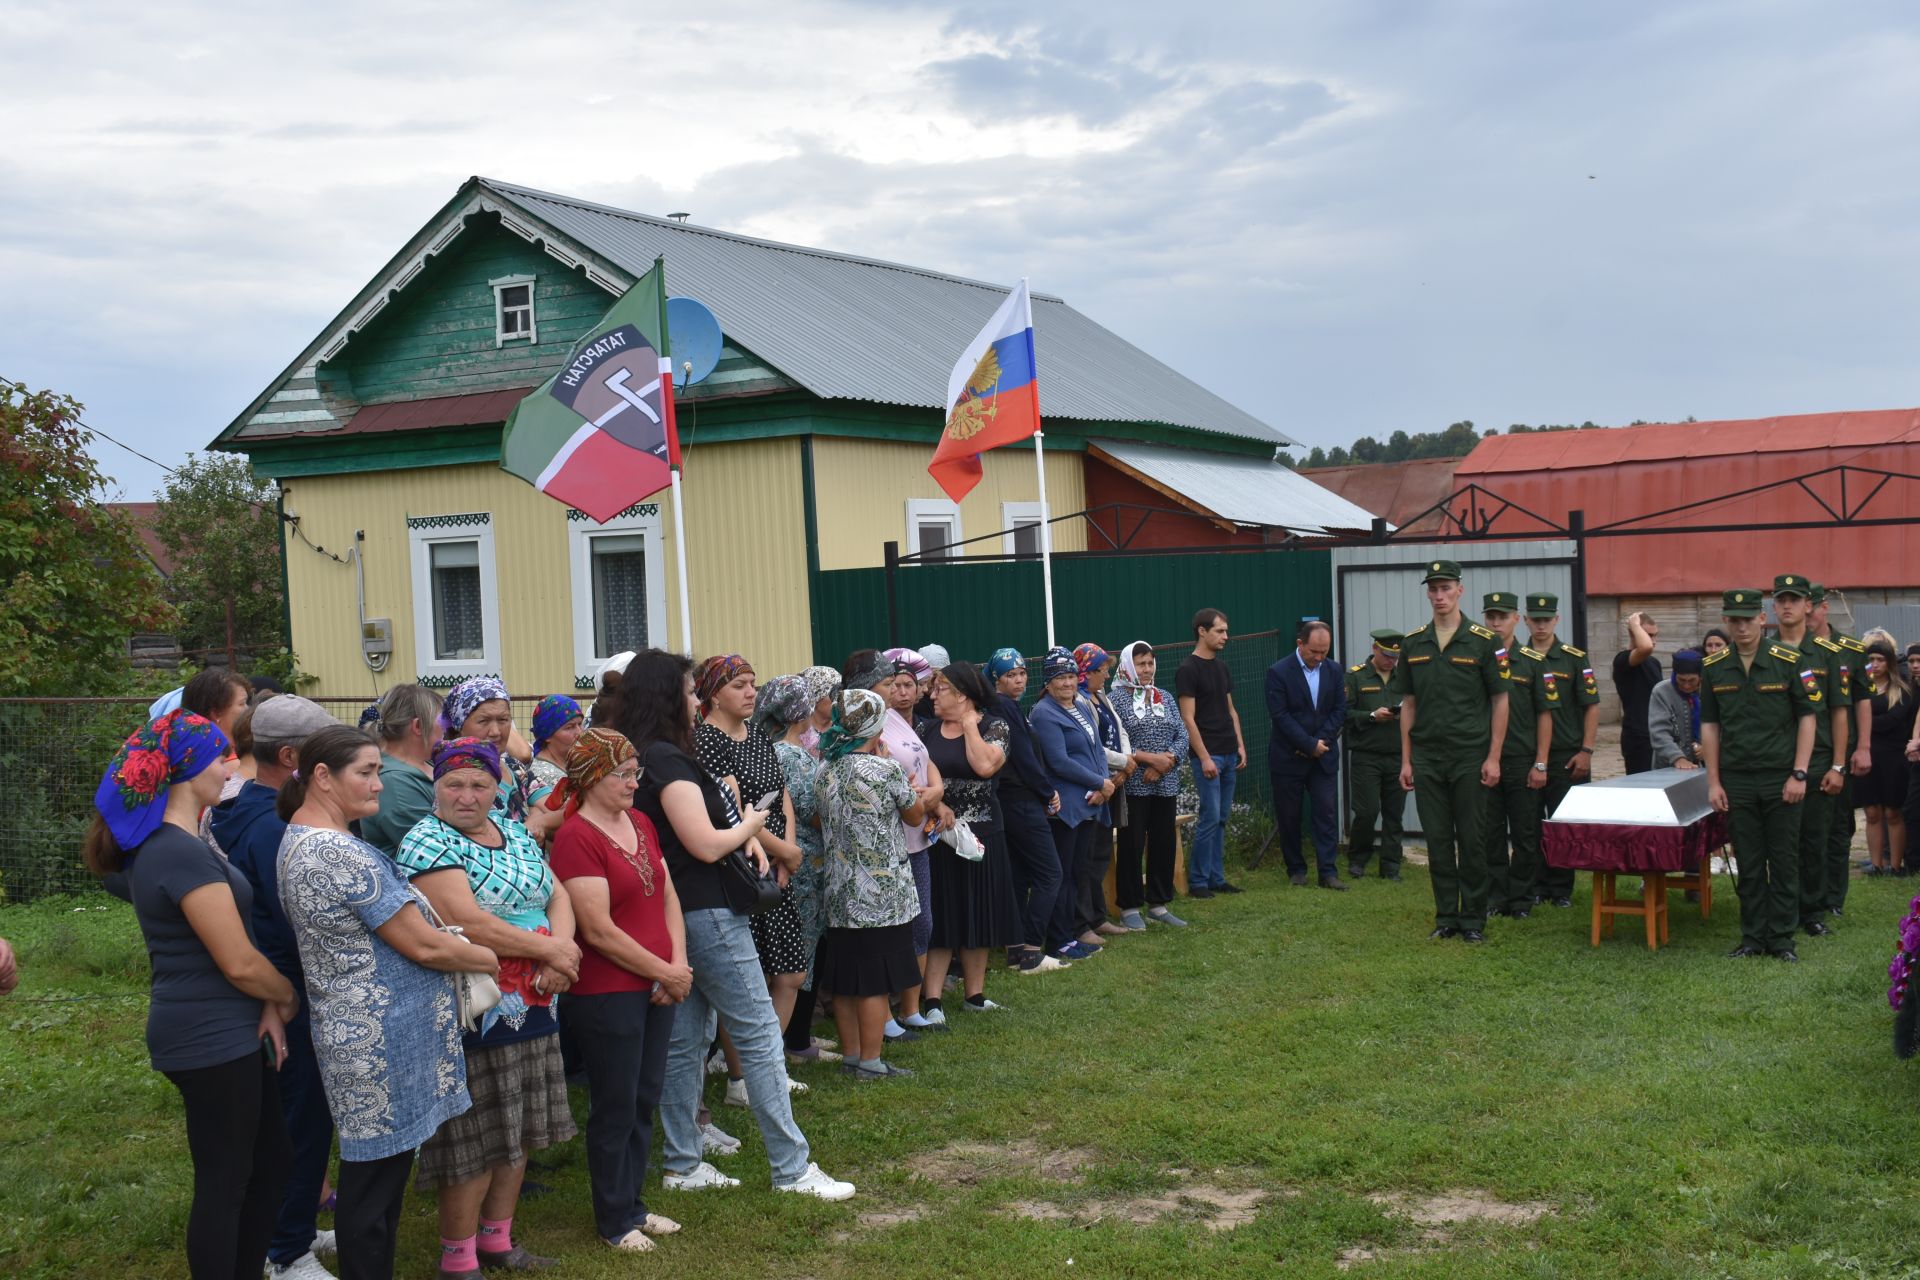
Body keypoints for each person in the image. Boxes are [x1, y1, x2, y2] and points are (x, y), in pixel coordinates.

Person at [609, 649, 854, 1200]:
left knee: (685, 1040)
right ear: (667, 695)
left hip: (672, 913)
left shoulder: (639, 755)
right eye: (690, 690)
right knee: (759, 1031)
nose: (695, 699)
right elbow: (700, 841)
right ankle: (792, 1168)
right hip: (706, 909)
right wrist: (747, 825)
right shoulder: (669, 759)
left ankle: (683, 1165)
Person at [277, 726, 498, 1280]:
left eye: (379, 770)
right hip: (376, 1039)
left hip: (370, 1029)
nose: (381, 784)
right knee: (372, 1189)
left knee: (379, 1181)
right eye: (366, 772)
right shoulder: (336, 852)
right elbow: (422, 943)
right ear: (322, 777)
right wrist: (492, 958)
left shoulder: (303, 838)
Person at [84, 710, 297, 1280]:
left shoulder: (187, 840)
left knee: (269, 1165)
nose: (233, 762)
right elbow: (239, 961)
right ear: (187, 768)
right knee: (227, 1180)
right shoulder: (174, 850)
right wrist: (285, 997)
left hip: (230, 1026)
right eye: (222, 754)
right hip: (208, 1036)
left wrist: (265, 1002)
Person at [395, 738, 582, 1275]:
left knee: (518, 1128)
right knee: (474, 1135)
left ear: (496, 786)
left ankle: (498, 1240)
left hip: (535, 999)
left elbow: (558, 895)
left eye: (479, 783)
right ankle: (458, 1257)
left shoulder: (514, 831)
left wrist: (559, 955)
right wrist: (552, 949)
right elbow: (468, 920)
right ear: (436, 787)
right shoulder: (427, 841)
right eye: (454, 783)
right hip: (473, 1006)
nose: (467, 795)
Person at [207, 694, 343, 1280]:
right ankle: (286, 1251)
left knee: (292, 1114)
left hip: (275, 986)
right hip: (287, 986)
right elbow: (290, 914)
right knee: (302, 1114)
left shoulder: (239, 809)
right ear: (291, 757)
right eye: (320, 755)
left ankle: (292, 1227)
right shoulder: (272, 828)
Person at [547, 728, 693, 1254]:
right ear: (589, 779)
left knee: (644, 1097)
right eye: (623, 775)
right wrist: (664, 971)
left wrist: (675, 964)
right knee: (615, 1103)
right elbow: (599, 930)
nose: (634, 782)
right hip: (608, 991)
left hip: (657, 981)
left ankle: (633, 1203)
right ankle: (614, 1219)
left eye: (636, 773)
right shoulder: (576, 838)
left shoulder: (640, 821)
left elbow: (669, 895)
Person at [693, 654, 814, 1080]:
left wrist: (789, 851)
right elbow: (729, 811)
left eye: (752, 683)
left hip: (776, 861)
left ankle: (767, 1065)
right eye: (739, 685)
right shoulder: (707, 741)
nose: (750, 692)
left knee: (792, 973)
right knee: (751, 978)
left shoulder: (757, 735)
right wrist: (781, 850)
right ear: (713, 694)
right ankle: (743, 1077)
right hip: (742, 865)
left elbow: (781, 795)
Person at [816, 687, 932, 1076]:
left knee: (848, 977)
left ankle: (852, 1056)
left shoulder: (825, 768)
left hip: (839, 889)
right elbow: (916, 817)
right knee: (874, 982)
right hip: (882, 893)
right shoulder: (886, 770)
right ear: (876, 724)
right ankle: (871, 1061)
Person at [1393, 560, 1509, 944]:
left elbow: (1500, 700)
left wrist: (1494, 756)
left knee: (1472, 839)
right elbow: (1408, 704)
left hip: (1469, 755)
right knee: (1438, 841)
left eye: (1446, 588)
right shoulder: (1413, 643)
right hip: (1427, 757)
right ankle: (1447, 916)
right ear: (1428, 593)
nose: (1439, 596)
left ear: (1460, 590)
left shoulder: (1484, 641)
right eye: (1433, 589)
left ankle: (1473, 919)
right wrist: (1407, 760)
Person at [1700, 588, 1817, 962]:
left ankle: (1781, 938)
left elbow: (1808, 718)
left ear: (1762, 619)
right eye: (1734, 620)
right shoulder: (1714, 666)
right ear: (1726, 622)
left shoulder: (1790, 660)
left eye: (1748, 619)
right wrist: (1714, 781)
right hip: (1738, 779)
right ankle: (1752, 937)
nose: (1742, 626)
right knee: (1748, 862)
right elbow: (1711, 727)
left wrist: (1799, 772)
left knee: (1783, 860)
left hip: (1780, 776)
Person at [919, 661, 1025, 1010]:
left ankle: (974, 995)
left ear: (962, 694)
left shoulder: (996, 727)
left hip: (982, 834)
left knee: (980, 910)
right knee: (942, 914)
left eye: (940, 689)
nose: (931, 695)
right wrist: (938, 808)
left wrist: (969, 727)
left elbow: (983, 766)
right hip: (938, 835)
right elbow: (915, 779)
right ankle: (931, 999)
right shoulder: (927, 731)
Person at [752, 674, 836, 1060]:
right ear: (800, 713)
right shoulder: (795, 757)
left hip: (779, 858)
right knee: (799, 954)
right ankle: (795, 1040)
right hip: (801, 864)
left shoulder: (764, 749)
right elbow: (811, 811)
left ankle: (790, 1038)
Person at [1771, 576, 1853, 936]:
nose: (1787, 605)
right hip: (1774, 760)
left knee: (1814, 838)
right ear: (1773, 607)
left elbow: (1839, 711)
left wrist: (1838, 764)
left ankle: (1813, 911)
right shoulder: (1763, 651)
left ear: (1809, 606)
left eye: (1795, 599)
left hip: (1819, 759)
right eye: (1781, 599)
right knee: (1779, 842)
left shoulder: (1828, 655)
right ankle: (1781, 909)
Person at [984, 648, 1070, 973]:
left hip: (1011, 801)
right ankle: (1032, 950)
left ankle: (1016, 950)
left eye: (1022, 673)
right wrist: (1048, 793)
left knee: (1020, 874)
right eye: (1010, 675)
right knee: (1051, 873)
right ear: (996, 679)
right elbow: (1023, 757)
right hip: (1020, 800)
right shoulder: (1005, 707)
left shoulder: (1003, 705)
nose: (1019, 680)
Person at [1030, 648, 1115, 961]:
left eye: (1069, 676)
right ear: (1048, 683)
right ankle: (1058, 940)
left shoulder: (1079, 704)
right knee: (1063, 876)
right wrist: (1098, 783)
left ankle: (1069, 935)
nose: (1066, 683)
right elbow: (1058, 762)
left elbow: (1096, 749)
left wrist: (1105, 784)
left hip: (1090, 803)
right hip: (1065, 808)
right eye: (1059, 678)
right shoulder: (1044, 712)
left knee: (1078, 873)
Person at [877, 647, 943, 1031]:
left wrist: (936, 793)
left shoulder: (909, 726)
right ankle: (883, 1012)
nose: (900, 692)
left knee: (922, 924)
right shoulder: (876, 722)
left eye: (907, 685)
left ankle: (910, 1008)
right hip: (889, 843)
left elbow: (927, 763)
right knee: (891, 928)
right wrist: (923, 796)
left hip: (918, 839)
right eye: (892, 684)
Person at [1524, 593, 1602, 909]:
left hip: (1566, 754)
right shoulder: (1513, 658)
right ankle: (1536, 884)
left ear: (1556, 620)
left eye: (1547, 619)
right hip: (1526, 754)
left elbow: (1592, 706)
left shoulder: (1573, 658)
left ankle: (1561, 888)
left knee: (1563, 823)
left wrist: (1586, 750)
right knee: (1529, 824)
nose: (1541, 625)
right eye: (1535, 619)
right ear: (1526, 620)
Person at [1476, 593, 1545, 921]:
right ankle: (1495, 896)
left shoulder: (1532, 661)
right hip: (1485, 759)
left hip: (1520, 759)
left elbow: (1546, 715)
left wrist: (1540, 762)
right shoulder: (1475, 656)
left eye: (1502, 616)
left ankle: (1520, 899)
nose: (1495, 622)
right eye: (1490, 615)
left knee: (1525, 833)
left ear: (1517, 618)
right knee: (1489, 833)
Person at [1807, 584, 1874, 920]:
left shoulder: (1850, 650)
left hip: (1840, 751)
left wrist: (1862, 747)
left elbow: (1862, 700)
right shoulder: (1786, 648)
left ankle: (1833, 896)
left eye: (1811, 607)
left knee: (1836, 826)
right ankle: (1807, 894)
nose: (1806, 615)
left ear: (1824, 607)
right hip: (1800, 752)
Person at [1112, 640, 1190, 926]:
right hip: (1134, 783)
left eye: (1150, 663)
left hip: (1164, 782)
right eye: (1141, 664)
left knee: (1163, 841)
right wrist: (1148, 760)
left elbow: (1182, 734)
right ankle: (1130, 908)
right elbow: (1116, 742)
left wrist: (1166, 762)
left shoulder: (1164, 697)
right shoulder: (1116, 700)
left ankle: (1158, 904)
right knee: (1131, 844)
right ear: (1128, 666)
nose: (1147, 669)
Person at [1266, 620, 1348, 891]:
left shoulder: (1335, 671)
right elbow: (1280, 716)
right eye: (1314, 651)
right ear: (1300, 644)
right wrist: (1306, 743)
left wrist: (1319, 743)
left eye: (1324, 651)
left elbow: (1338, 710)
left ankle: (1328, 871)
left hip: (1322, 757)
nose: (1319, 657)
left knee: (1325, 814)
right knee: (1290, 815)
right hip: (1288, 757)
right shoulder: (1278, 672)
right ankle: (1297, 870)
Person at [437, 677, 560, 844]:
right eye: (483, 721)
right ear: (459, 725)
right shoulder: (455, 780)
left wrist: (538, 820)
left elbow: (564, 811)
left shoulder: (512, 766)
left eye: (503, 720)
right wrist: (535, 812)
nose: (495, 732)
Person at [1177, 608, 1247, 897]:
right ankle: (1199, 881)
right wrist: (1204, 757)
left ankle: (1217, 878)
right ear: (1202, 631)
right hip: (1209, 756)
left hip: (1229, 752)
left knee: (1221, 818)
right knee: (1209, 816)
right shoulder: (1188, 669)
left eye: (1226, 631)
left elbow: (1230, 710)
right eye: (1220, 631)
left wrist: (1240, 745)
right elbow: (1187, 718)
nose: (1225, 637)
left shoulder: (1221, 667)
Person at [1072, 643, 1134, 938]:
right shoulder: (1079, 701)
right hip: (1093, 786)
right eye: (1102, 671)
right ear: (1086, 672)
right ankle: (1083, 921)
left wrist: (1126, 764)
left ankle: (1098, 917)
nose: (1106, 676)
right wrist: (1124, 763)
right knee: (1085, 857)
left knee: (1100, 853)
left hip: (1113, 781)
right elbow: (1093, 745)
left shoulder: (1099, 696)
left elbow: (1119, 731)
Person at [1344, 630, 1407, 882]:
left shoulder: (1404, 677)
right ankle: (1358, 859)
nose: (1391, 661)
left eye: (1396, 656)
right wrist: (1371, 716)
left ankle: (1391, 866)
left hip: (1397, 755)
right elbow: (1344, 714)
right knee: (1367, 811)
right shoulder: (1356, 676)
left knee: (1394, 814)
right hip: (1366, 756)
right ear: (1375, 648)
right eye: (1387, 655)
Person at [360, 685, 445, 859]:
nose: (445, 729)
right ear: (419, 726)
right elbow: (434, 850)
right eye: (442, 722)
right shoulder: (394, 783)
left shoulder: (426, 763)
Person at [1861, 640, 1914, 876]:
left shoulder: (1901, 690)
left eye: (1880, 659)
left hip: (1893, 757)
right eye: (1871, 659)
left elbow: (1893, 721)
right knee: (1872, 813)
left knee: (1893, 812)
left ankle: (1895, 864)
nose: (1875, 664)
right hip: (1867, 755)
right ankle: (1876, 864)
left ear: (1889, 662)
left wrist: (1864, 721)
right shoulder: (1860, 688)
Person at [1612, 611, 1662, 774]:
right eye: (1648, 635)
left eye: (1655, 636)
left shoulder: (1654, 663)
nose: (1652, 641)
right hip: (1638, 738)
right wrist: (1633, 624)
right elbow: (1645, 647)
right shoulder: (1622, 659)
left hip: (1657, 735)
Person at [1650, 650, 1706, 770]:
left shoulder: (1709, 691)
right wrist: (1677, 757)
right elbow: (1659, 732)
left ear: (1701, 677)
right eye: (1681, 680)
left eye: (1692, 681)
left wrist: (1708, 749)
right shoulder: (1661, 692)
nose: (1686, 685)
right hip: (1667, 767)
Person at [526, 694, 584, 806]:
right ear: (547, 735)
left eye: (580, 724)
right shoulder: (543, 776)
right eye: (569, 727)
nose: (579, 733)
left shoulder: (572, 761)